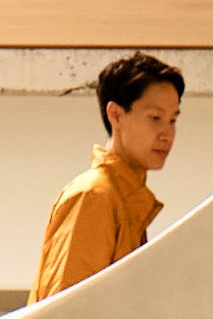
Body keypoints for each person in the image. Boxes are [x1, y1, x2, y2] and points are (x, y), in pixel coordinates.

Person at [30, 52, 183, 301]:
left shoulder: (125, 201)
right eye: (155, 118)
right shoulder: (93, 196)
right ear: (116, 115)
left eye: (172, 120)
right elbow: (63, 317)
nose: (167, 133)